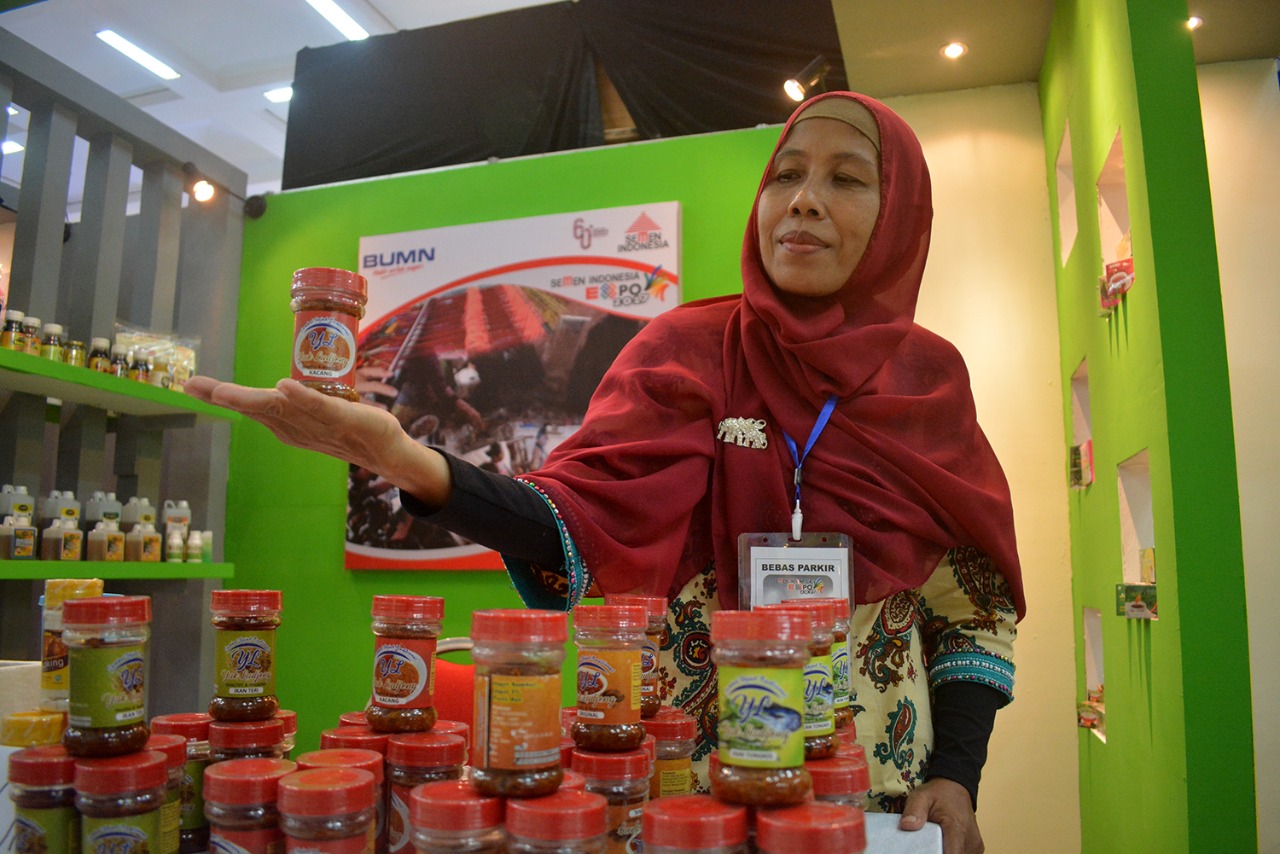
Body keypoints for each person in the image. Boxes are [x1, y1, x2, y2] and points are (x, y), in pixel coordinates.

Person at [188, 91, 1024, 854]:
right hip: (689, 795)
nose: (803, 199)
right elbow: (569, 520)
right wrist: (409, 461)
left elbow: (974, 615)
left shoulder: (929, 385)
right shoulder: (684, 354)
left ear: (901, 216)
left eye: (847, 179)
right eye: (787, 175)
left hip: (877, 802)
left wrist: (957, 774)